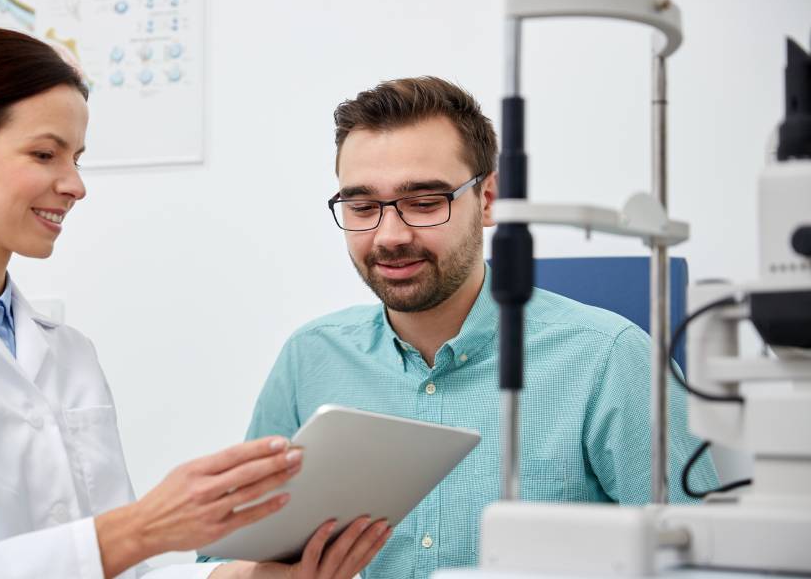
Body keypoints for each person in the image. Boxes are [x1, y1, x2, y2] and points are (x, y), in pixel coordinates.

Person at [0, 28, 389, 579]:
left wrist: (245, 574)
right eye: (44, 154)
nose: (75, 184)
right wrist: (141, 528)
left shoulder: (68, 353)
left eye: (77, 158)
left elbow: (119, 572)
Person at [234, 77, 719, 578]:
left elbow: (707, 564)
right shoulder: (310, 358)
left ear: (487, 199)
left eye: (424, 202)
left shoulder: (611, 359)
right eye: (362, 207)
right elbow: (223, 558)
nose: (390, 235)